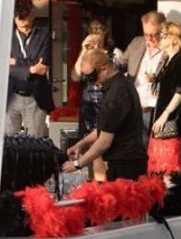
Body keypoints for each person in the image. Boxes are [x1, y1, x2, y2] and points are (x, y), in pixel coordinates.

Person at [62, 50, 148, 181]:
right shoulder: (118, 86)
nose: (91, 83)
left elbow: (104, 142)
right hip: (125, 162)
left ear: (105, 69)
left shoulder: (117, 93)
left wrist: (77, 164)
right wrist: (81, 144)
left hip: (126, 166)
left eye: (92, 77)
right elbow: (105, 128)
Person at [71, 20, 121, 181]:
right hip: (88, 106)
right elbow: (75, 77)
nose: (96, 43)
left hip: (106, 103)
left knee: (103, 147)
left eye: (99, 39)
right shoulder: (86, 55)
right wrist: (82, 50)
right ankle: (94, 182)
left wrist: (99, 54)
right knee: (89, 148)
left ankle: (103, 183)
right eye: (93, 38)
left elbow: (119, 76)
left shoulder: (114, 54)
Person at [148, 21, 181, 176]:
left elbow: (180, 91)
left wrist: (165, 115)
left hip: (171, 118)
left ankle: (175, 197)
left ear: (172, 38)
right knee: (160, 166)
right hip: (162, 116)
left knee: (170, 167)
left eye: (161, 36)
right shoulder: (169, 60)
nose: (158, 39)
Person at [7, 0, 54, 137]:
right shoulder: (6, 37)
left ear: (32, 15)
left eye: (27, 22)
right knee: (6, 141)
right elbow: (3, 68)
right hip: (11, 95)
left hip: (35, 96)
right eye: (21, 23)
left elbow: (43, 68)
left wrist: (15, 62)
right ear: (14, 17)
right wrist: (31, 68)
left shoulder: (44, 36)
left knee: (35, 142)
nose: (25, 26)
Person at [123, 11, 167, 139]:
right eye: (146, 34)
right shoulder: (137, 43)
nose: (149, 39)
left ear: (163, 31)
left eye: (154, 35)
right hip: (134, 109)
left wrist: (157, 80)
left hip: (157, 111)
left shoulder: (170, 49)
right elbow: (119, 66)